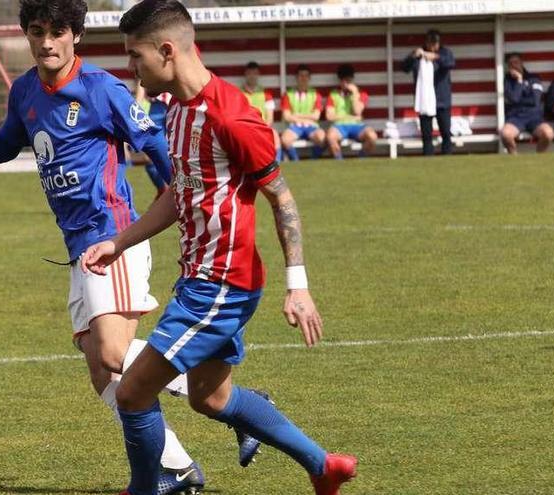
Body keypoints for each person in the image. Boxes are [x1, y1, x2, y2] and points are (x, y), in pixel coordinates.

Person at [0, 1, 260, 493]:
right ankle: (178, 466)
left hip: (114, 236)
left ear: (76, 35)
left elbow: (152, 142)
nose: (46, 42)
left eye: (57, 31)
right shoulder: (24, 91)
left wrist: (180, 195)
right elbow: (6, 143)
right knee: (103, 376)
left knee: (111, 352)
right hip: (77, 246)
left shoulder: (101, 88)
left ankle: (236, 403)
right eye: (37, 31)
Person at [83, 1, 358, 494]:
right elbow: (178, 194)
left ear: (167, 51)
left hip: (221, 285)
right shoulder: (173, 111)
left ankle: (149, 488)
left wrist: (299, 286)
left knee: (132, 392)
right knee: (210, 399)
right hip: (200, 278)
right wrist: (119, 243)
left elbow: (282, 197)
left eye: (135, 57)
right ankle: (324, 466)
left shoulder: (233, 117)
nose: (131, 70)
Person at [402, 29, 455, 156]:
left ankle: (447, 156)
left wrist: (436, 57)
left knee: (446, 133)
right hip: (424, 100)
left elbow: (450, 63)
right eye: (430, 43)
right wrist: (413, 56)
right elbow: (404, 68)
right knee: (426, 134)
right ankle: (428, 157)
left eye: (435, 43)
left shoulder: (445, 52)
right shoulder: (419, 54)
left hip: (441, 100)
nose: (432, 46)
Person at [500, 52, 554, 154]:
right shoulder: (507, 80)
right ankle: (514, 161)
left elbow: (535, 100)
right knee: (506, 134)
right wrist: (519, 81)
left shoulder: (534, 78)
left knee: (548, 133)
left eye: (516, 62)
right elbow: (514, 98)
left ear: (522, 63)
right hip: (516, 117)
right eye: (511, 64)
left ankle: (539, 158)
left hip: (534, 117)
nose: (514, 65)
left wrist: (520, 100)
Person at [325, 64, 377, 159]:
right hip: (339, 126)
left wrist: (355, 94)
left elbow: (357, 111)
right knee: (330, 137)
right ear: (339, 80)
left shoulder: (361, 94)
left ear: (352, 80)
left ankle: (361, 160)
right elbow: (329, 116)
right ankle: (340, 163)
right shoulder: (333, 94)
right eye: (343, 80)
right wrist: (349, 117)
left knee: (372, 136)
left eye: (348, 80)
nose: (346, 83)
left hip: (357, 126)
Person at [280, 64, 326, 160]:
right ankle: (296, 162)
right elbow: (286, 116)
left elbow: (316, 116)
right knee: (285, 140)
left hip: (312, 126)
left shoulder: (315, 94)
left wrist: (297, 115)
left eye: (306, 76)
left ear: (309, 78)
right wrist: (306, 118)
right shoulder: (288, 94)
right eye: (301, 75)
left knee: (322, 138)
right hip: (295, 126)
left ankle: (312, 161)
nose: (303, 78)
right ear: (296, 78)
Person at [240, 61, 283, 162]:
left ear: (258, 75)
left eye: (255, 73)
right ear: (245, 74)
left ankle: (277, 164)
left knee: (275, 136)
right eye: (250, 73)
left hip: (262, 127)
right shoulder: (238, 93)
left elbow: (270, 118)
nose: (252, 76)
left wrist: (262, 128)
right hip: (244, 128)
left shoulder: (266, 94)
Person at [134, 82, 172, 196]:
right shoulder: (147, 68)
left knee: (170, 150)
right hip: (155, 108)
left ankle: (168, 190)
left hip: (170, 106)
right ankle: (164, 189)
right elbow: (141, 85)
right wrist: (136, 108)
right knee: (152, 153)